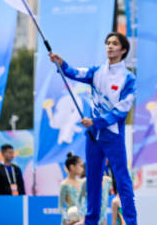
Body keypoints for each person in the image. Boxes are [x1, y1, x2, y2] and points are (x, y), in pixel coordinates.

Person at [49, 32, 137, 225]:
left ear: (123, 50)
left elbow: (122, 109)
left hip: (112, 136)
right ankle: (91, 221)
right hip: (93, 136)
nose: (110, 46)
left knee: (122, 180)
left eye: (114, 43)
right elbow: (74, 73)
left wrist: (96, 122)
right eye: (108, 43)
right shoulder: (97, 72)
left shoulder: (128, 78)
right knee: (93, 180)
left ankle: (131, 222)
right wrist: (61, 63)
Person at [59, 153, 84, 225]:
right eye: (81, 166)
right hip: (70, 220)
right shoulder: (64, 184)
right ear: (72, 167)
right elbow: (61, 206)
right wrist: (67, 218)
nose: (82, 169)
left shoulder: (82, 182)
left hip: (82, 219)